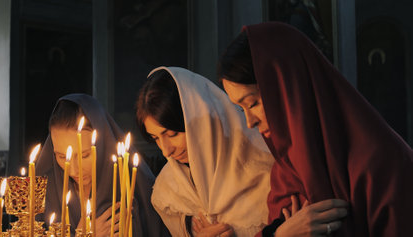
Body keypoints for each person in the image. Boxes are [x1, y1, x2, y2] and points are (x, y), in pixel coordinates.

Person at [217, 22, 413, 236]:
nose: (249, 122)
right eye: (241, 108)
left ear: (288, 88)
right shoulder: (286, 172)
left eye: (253, 103)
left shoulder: (382, 164)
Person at [135, 66, 275, 236]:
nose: (166, 151)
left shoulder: (267, 169)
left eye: (172, 134)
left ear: (203, 122)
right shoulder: (168, 192)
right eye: (155, 138)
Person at [36, 93, 170, 236]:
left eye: (84, 155)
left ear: (103, 145)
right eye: (62, 157)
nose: (74, 170)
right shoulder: (46, 190)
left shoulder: (135, 185)